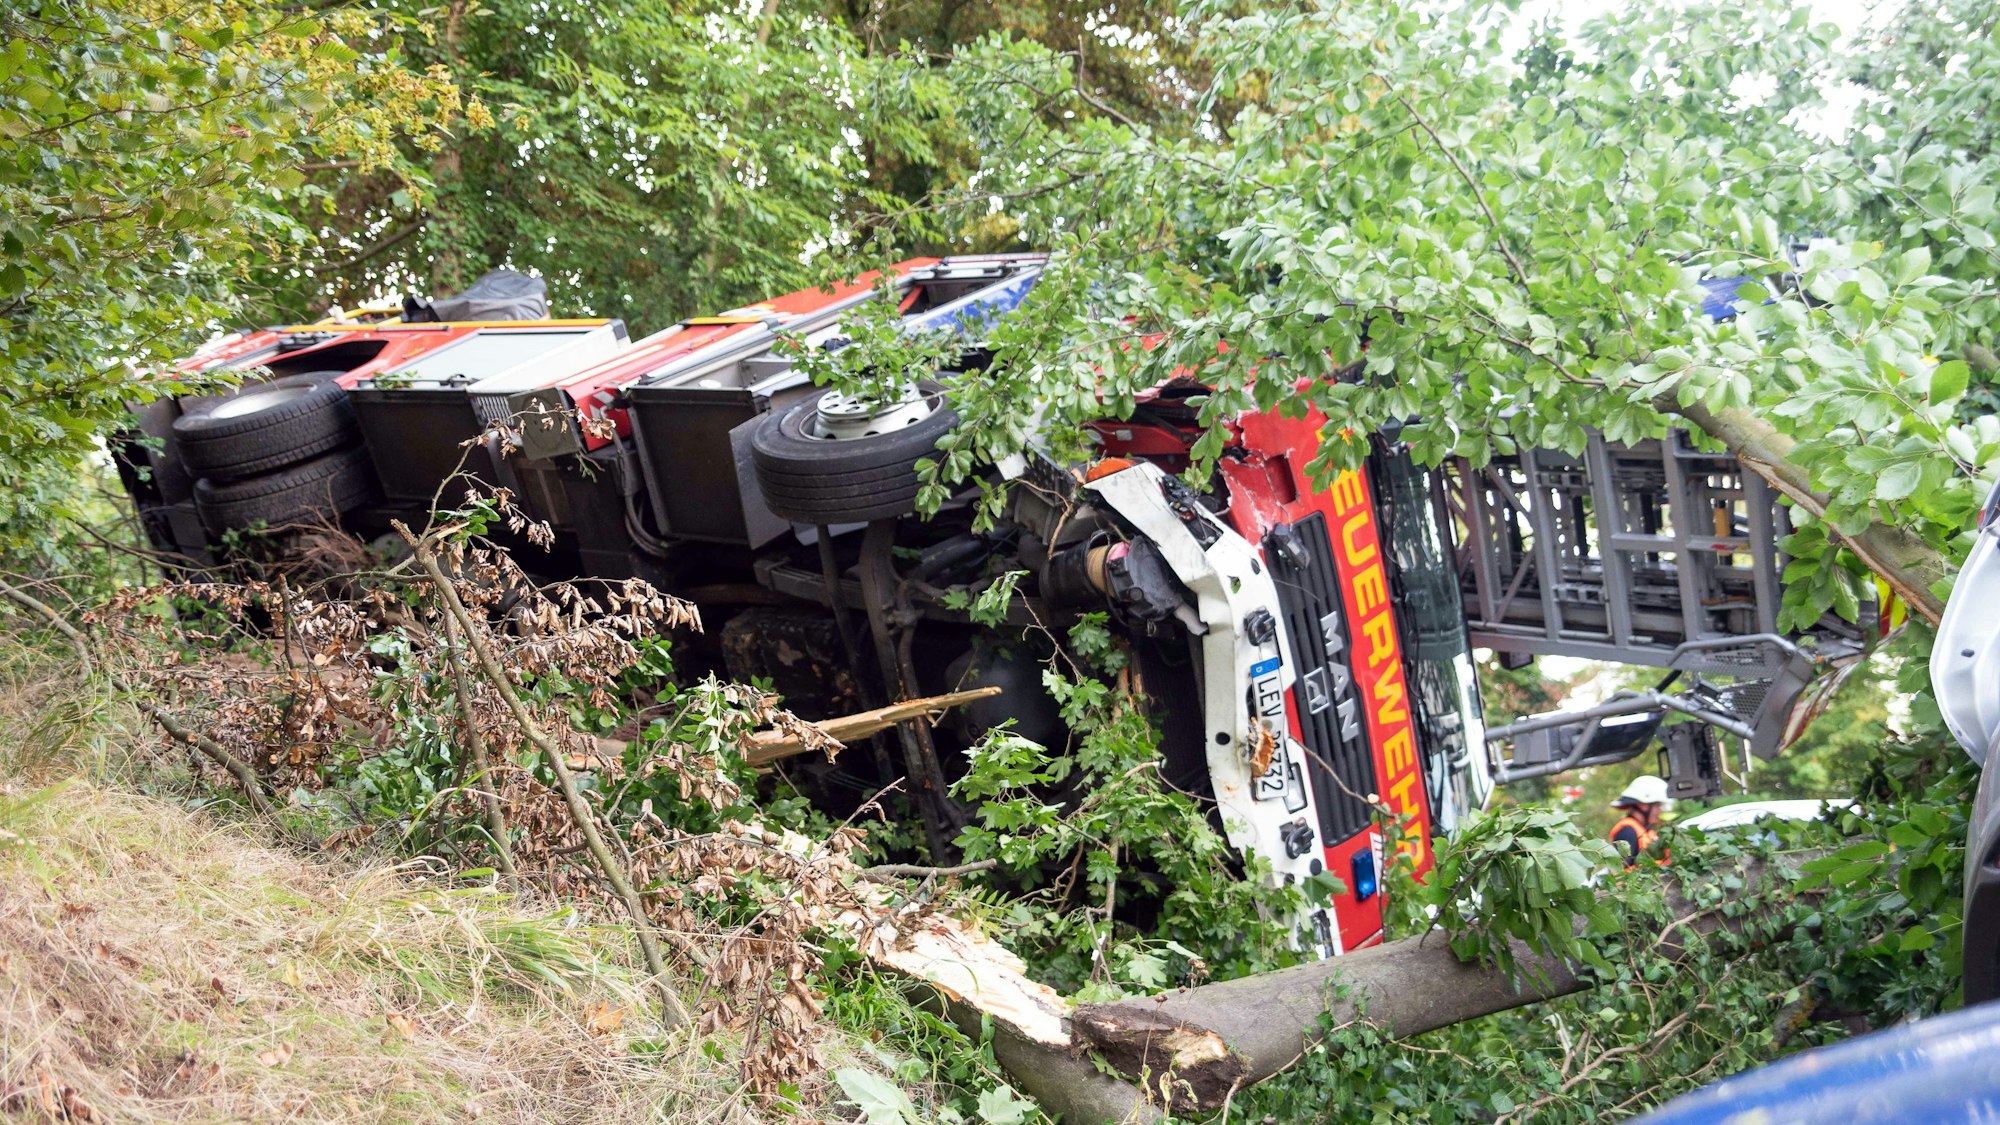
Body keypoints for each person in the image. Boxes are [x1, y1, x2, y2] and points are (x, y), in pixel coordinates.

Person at [1608, 775, 1672, 868]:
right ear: (1643, 805)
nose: (1659, 811)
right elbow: (1619, 873)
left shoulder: (1645, 830)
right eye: (1657, 806)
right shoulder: (1627, 832)